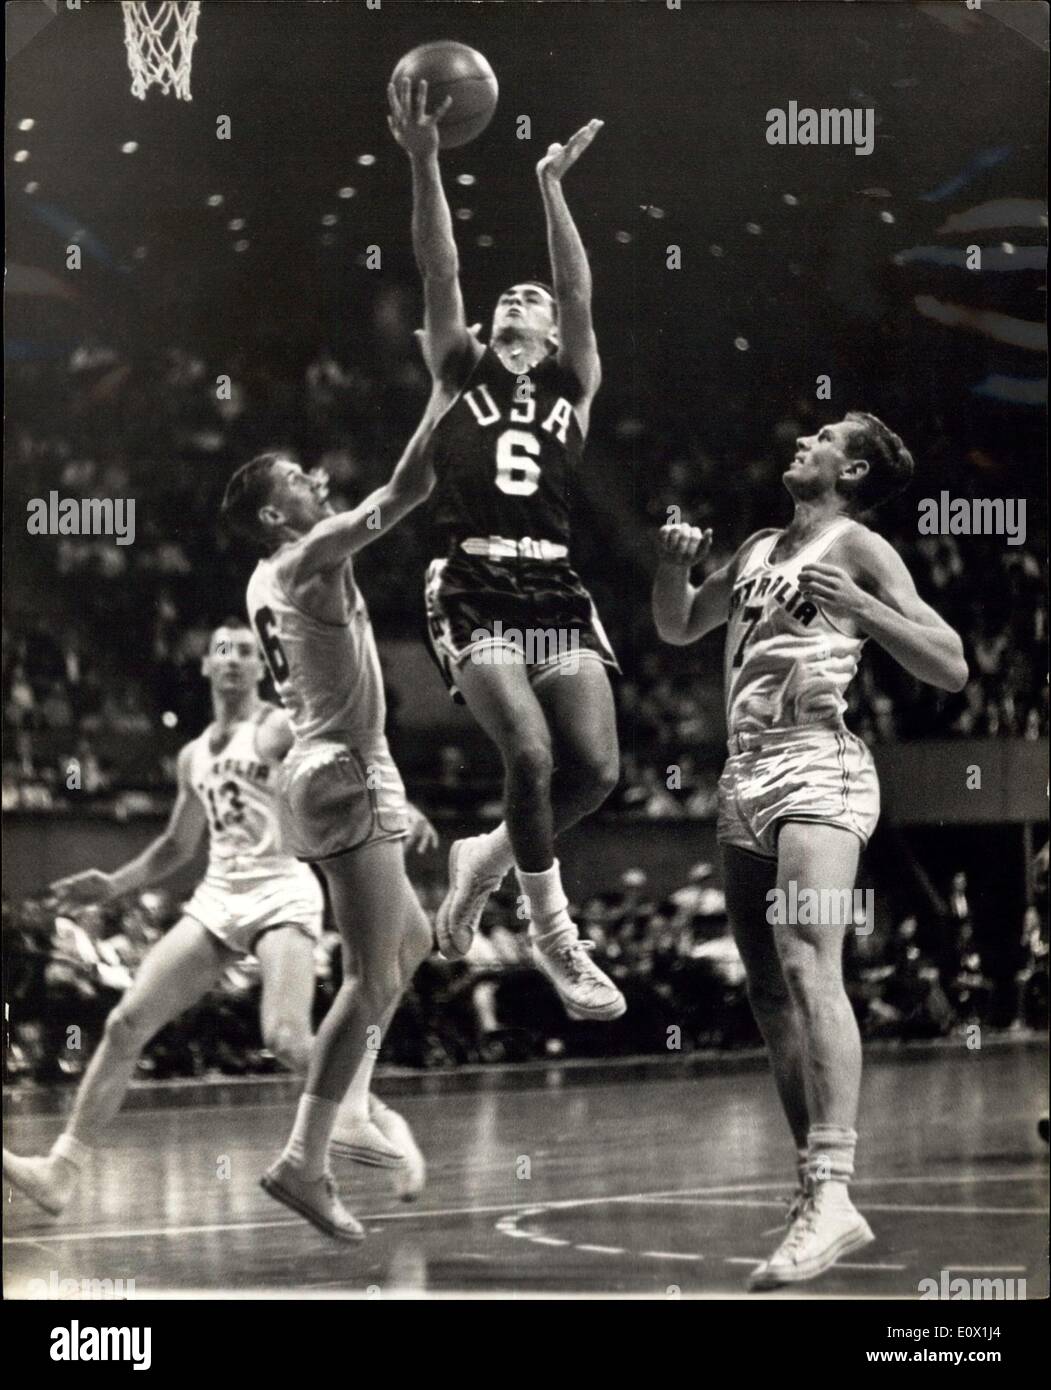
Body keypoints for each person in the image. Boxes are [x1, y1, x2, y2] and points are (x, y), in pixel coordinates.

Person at [652, 413, 968, 1289]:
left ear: (852, 467)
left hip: (817, 771)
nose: (803, 437)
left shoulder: (858, 544)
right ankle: (813, 1190)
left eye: (825, 435)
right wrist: (672, 564)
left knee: (804, 961)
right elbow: (678, 626)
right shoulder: (757, 546)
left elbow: (949, 664)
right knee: (764, 987)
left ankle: (833, 1188)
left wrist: (863, 608)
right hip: (743, 776)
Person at [2, 620, 432, 1217]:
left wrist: (399, 804)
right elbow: (177, 847)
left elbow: (343, 753)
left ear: (262, 669)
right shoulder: (192, 755)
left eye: (246, 653)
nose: (232, 661)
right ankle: (60, 1171)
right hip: (218, 896)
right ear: (205, 666)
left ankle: (376, 1117)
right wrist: (112, 885)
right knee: (126, 1024)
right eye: (222, 651)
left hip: (282, 890)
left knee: (283, 1037)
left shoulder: (277, 726)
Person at [387, 77, 624, 1022]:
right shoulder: (461, 370)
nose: (524, 296)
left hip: (555, 585)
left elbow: (575, 284)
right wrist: (424, 159)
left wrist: (551, 185)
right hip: (475, 580)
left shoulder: (575, 378)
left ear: (554, 329)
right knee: (527, 755)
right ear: (493, 330)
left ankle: (483, 855)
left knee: (597, 772)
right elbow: (440, 271)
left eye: (536, 297)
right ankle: (554, 937)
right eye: (509, 296)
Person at [221, 396, 444, 1240]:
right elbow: (407, 486)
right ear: (276, 513)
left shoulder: (261, 581)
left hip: (336, 765)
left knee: (410, 943)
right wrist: (443, 390)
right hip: (345, 763)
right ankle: (309, 1155)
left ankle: (346, 1107)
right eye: (297, 478)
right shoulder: (308, 555)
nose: (316, 479)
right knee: (370, 975)